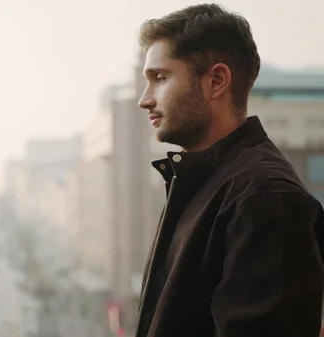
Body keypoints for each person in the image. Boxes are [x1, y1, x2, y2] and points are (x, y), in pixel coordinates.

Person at [136, 3, 324, 337]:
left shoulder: (264, 197)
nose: (145, 99)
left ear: (217, 81)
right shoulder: (204, 183)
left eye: (160, 78)